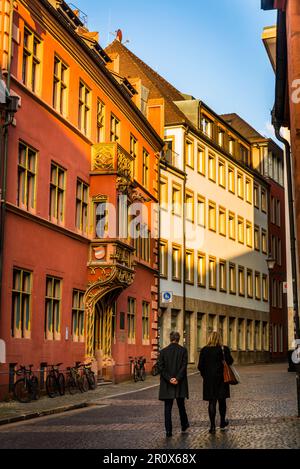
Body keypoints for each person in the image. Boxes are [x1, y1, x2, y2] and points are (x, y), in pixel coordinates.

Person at [198, 331, 234, 434]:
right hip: (222, 379)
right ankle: (222, 422)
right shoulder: (224, 349)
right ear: (219, 339)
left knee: (212, 402)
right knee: (222, 401)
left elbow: (200, 366)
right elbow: (230, 361)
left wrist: (205, 375)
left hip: (209, 380)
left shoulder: (204, 350)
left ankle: (212, 426)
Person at [158, 331, 189, 437]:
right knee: (181, 406)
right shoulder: (183, 351)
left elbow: (161, 368)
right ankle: (184, 425)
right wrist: (177, 378)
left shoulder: (163, 352)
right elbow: (184, 366)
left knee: (167, 408)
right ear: (179, 339)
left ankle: (168, 430)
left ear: (170, 338)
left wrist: (170, 378)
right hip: (180, 383)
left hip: (167, 384)